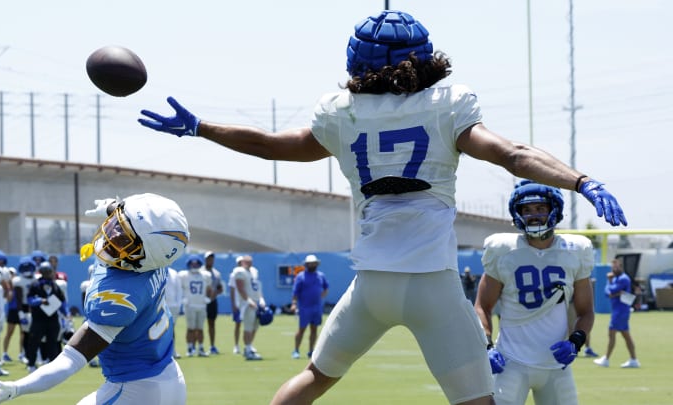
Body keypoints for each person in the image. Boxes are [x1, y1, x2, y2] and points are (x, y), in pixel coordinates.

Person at [138, 10, 627, 404]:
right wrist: (580, 180)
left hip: (371, 283)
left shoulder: (342, 114)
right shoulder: (446, 104)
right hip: (433, 283)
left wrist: (203, 127)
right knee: (477, 400)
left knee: (314, 378)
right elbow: (512, 155)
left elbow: (272, 145)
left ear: (358, 59)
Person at [0, 193, 190, 405]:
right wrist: (112, 208)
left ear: (145, 256)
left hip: (137, 389)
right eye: (117, 225)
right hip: (167, 373)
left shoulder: (120, 297)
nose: (112, 237)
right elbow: (132, 219)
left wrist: (15, 389)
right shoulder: (157, 255)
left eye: (124, 241)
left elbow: (69, 361)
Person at [474, 180, 596, 405]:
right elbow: (482, 306)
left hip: (555, 366)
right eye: (527, 210)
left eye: (541, 208)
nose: (534, 215)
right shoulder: (502, 249)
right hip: (510, 362)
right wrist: (486, 345)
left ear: (554, 210)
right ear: (517, 213)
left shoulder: (575, 250)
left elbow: (586, 311)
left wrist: (576, 341)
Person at [593, 258, 640, 368]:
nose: (614, 269)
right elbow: (607, 293)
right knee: (626, 335)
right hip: (618, 310)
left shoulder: (623, 279)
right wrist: (610, 286)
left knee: (612, 333)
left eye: (616, 267)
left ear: (621, 267)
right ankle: (633, 360)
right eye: (613, 267)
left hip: (621, 310)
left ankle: (606, 359)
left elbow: (611, 290)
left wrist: (609, 284)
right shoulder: (614, 278)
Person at [24, 261, 68, 373]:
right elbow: (29, 300)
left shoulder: (55, 286)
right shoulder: (35, 285)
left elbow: (62, 302)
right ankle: (31, 364)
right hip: (38, 319)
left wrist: (66, 313)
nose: (49, 274)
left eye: (50, 272)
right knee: (34, 341)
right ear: (42, 272)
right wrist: (40, 301)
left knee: (52, 342)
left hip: (52, 318)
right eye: (46, 272)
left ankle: (52, 364)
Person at [291, 255, 329, 360]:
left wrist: (320, 297)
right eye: (310, 263)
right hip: (304, 308)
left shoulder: (321, 276)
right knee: (301, 329)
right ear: (306, 264)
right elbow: (295, 292)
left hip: (316, 308)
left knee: (314, 330)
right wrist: (294, 303)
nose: (312, 265)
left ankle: (311, 351)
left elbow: (326, 288)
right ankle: (296, 350)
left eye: (314, 263)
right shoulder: (300, 276)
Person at [232, 255, 266, 361]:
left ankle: (249, 346)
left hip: (256, 302)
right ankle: (247, 350)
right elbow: (240, 288)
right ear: (242, 262)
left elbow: (257, 287)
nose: (249, 263)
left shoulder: (254, 271)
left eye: (250, 261)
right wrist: (248, 300)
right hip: (247, 304)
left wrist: (261, 299)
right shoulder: (239, 271)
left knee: (255, 327)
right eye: (246, 261)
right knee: (248, 328)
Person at [178, 254, 212, 357]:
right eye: (192, 263)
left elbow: (209, 288)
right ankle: (190, 348)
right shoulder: (184, 275)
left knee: (200, 328)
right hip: (190, 305)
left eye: (196, 263)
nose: (194, 265)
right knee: (190, 328)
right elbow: (180, 289)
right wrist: (183, 299)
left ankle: (200, 348)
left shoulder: (205, 275)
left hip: (201, 305)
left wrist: (208, 297)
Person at [202, 251, 224, 355]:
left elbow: (220, 288)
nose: (210, 260)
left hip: (212, 301)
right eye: (208, 258)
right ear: (205, 259)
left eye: (212, 258)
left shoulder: (216, 273)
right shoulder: (200, 271)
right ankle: (200, 347)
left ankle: (212, 346)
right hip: (201, 302)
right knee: (199, 325)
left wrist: (215, 293)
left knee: (212, 323)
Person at [164, 265, 183, 359]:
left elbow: (179, 290)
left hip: (173, 306)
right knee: (161, 330)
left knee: (171, 329)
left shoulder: (174, 273)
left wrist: (178, 305)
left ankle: (173, 351)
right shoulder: (156, 271)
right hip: (160, 306)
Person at [228, 256, 244, 355]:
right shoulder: (234, 274)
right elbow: (233, 289)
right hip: (239, 302)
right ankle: (236, 345)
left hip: (246, 302)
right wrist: (234, 303)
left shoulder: (249, 273)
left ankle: (248, 344)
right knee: (238, 324)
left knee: (249, 325)